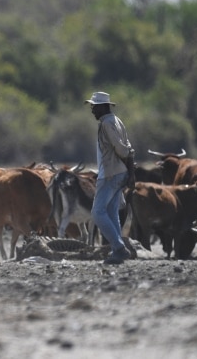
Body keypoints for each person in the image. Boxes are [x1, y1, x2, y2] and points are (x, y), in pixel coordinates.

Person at [85, 91, 136, 265]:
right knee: (112, 211)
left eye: (94, 107)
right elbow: (129, 148)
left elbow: (122, 149)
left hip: (110, 173)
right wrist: (131, 172)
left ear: (103, 106)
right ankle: (117, 250)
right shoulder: (117, 121)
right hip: (120, 173)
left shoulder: (106, 124)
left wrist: (128, 169)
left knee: (97, 213)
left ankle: (119, 248)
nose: (92, 110)